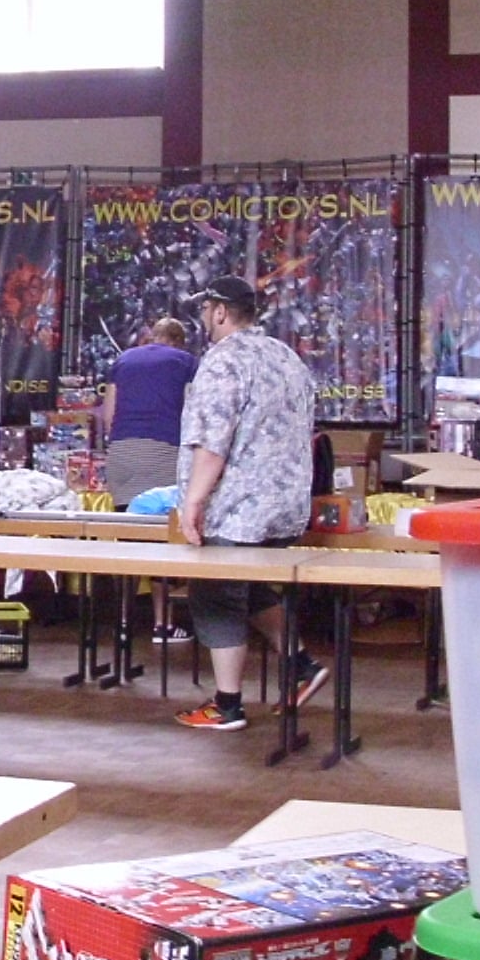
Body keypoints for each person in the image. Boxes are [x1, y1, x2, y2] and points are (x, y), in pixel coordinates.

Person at [173, 275, 327, 731]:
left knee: (215, 595)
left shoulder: (224, 361)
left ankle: (227, 705)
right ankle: (301, 665)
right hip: (285, 506)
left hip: (238, 508)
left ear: (220, 311)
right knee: (254, 587)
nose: (204, 317)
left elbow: (212, 441)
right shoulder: (286, 356)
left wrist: (193, 502)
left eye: (206, 310)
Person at [102, 317, 197, 643]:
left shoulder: (123, 361)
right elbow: (194, 414)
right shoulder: (186, 363)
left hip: (122, 455)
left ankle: (123, 623)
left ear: (151, 337)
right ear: (179, 341)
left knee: (129, 538)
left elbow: (109, 416)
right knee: (163, 542)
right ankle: (162, 624)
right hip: (163, 453)